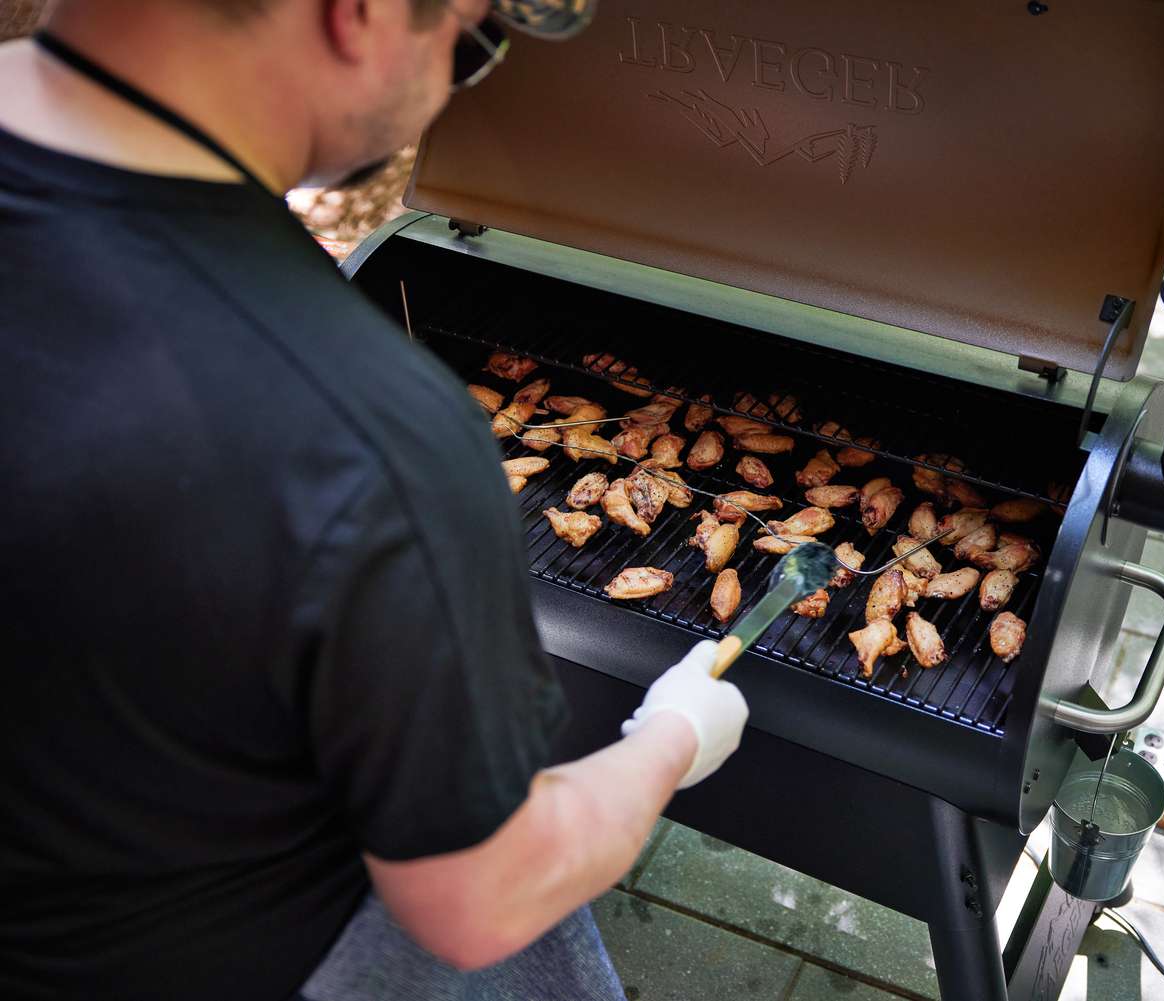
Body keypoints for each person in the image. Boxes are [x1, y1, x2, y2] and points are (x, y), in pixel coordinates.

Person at [0, 2, 749, 999]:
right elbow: (481, 895)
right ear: (364, 12)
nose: (455, 80)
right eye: (473, 42)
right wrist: (673, 737)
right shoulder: (356, 430)